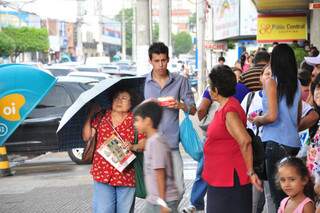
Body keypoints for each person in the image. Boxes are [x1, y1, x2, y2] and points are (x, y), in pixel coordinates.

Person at [202, 65, 262, 213]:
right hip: (221, 176)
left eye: (210, 86)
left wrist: (250, 172)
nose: (209, 90)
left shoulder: (229, 110)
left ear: (216, 90)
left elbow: (245, 140)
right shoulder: (225, 107)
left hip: (230, 178)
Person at [250, 44, 302, 209]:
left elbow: (272, 116)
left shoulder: (271, 82)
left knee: (277, 197)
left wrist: (258, 119)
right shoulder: (297, 84)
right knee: (292, 196)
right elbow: (298, 118)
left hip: (275, 144)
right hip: (293, 144)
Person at [144, 42, 196, 199]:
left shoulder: (180, 81)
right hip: (151, 144)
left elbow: (193, 109)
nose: (160, 65)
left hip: (171, 145)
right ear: (150, 61)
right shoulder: (143, 83)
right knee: (155, 193)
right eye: (156, 61)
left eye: (163, 60)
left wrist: (179, 105)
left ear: (168, 59)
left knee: (179, 190)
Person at [82, 89, 144, 213]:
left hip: (126, 173)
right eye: (116, 98)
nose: (118, 101)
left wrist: (132, 146)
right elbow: (87, 137)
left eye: (124, 98)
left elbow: (144, 143)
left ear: (131, 103)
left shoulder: (136, 120)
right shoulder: (101, 117)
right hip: (102, 172)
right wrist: (90, 115)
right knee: (104, 210)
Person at [134, 101, 179, 213]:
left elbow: (160, 174)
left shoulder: (156, 142)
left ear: (148, 121)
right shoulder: (150, 141)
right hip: (154, 199)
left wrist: (162, 203)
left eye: (137, 120)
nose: (135, 124)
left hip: (164, 200)